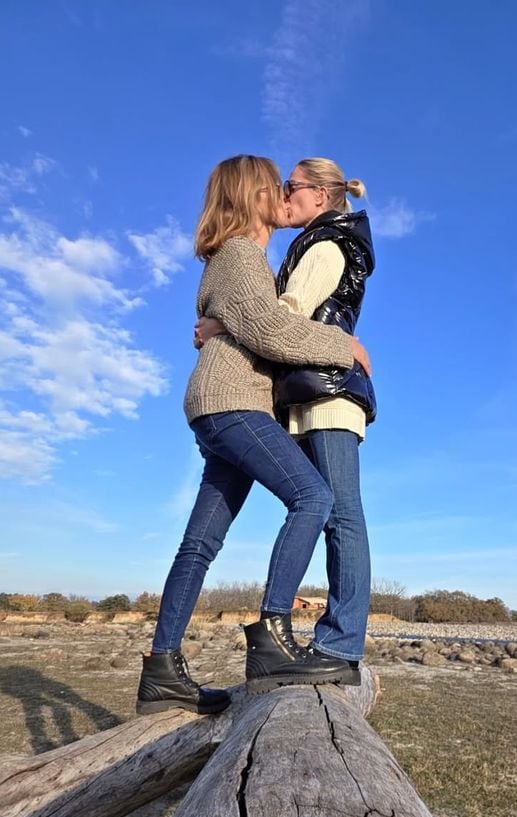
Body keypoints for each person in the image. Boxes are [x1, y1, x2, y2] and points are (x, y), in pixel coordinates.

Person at [137, 154, 371, 716]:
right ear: (254, 196)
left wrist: (219, 324)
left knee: (199, 543)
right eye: (276, 187)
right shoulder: (242, 254)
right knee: (313, 497)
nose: (284, 195)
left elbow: (251, 319)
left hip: (220, 407)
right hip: (234, 405)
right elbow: (270, 329)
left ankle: (162, 669)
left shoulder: (246, 260)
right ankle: (271, 636)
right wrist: (348, 349)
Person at [196, 157, 375, 676]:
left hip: (328, 394)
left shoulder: (324, 245)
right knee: (326, 510)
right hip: (312, 393)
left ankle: (340, 645)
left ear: (320, 196)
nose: (283, 194)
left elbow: (282, 321)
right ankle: (324, 640)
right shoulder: (315, 241)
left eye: (291, 186)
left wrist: (220, 327)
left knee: (340, 514)